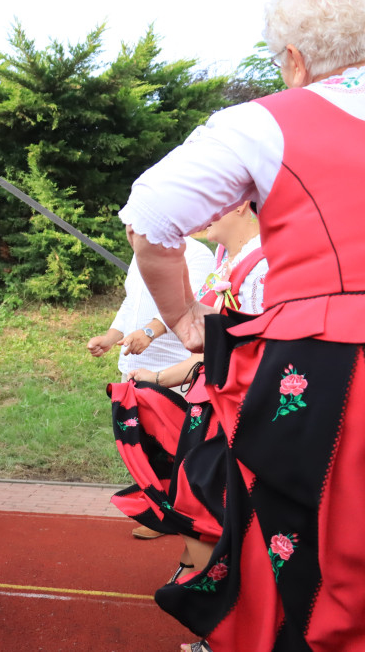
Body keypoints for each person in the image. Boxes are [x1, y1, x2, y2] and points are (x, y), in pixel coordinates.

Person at [119, 0, 365, 649]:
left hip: (332, 370)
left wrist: (186, 321)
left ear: (292, 57)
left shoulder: (261, 123)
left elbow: (148, 220)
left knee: (336, 558)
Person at [109, 203, 266, 585]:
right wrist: (158, 378)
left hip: (237, 410)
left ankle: (221, 603)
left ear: (244, 203)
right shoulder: (227, 260)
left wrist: (160, 361)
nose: (204, 211)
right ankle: (203, 582)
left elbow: (255, 350)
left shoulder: (262, 266)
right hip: (211, 401)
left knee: (204, 497)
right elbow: (207, 337)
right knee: (195, 493)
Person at [88, 235, 213, 539]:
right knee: (143, 447)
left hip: (174, 369)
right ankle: (159, 511)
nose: (133, 229)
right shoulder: (141, 252)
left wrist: (148, 332)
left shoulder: (196, 253)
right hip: (133, 367)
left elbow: (190, 305)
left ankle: (183, 518)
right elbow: (132, 302)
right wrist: (109, 337)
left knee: (174, 449)